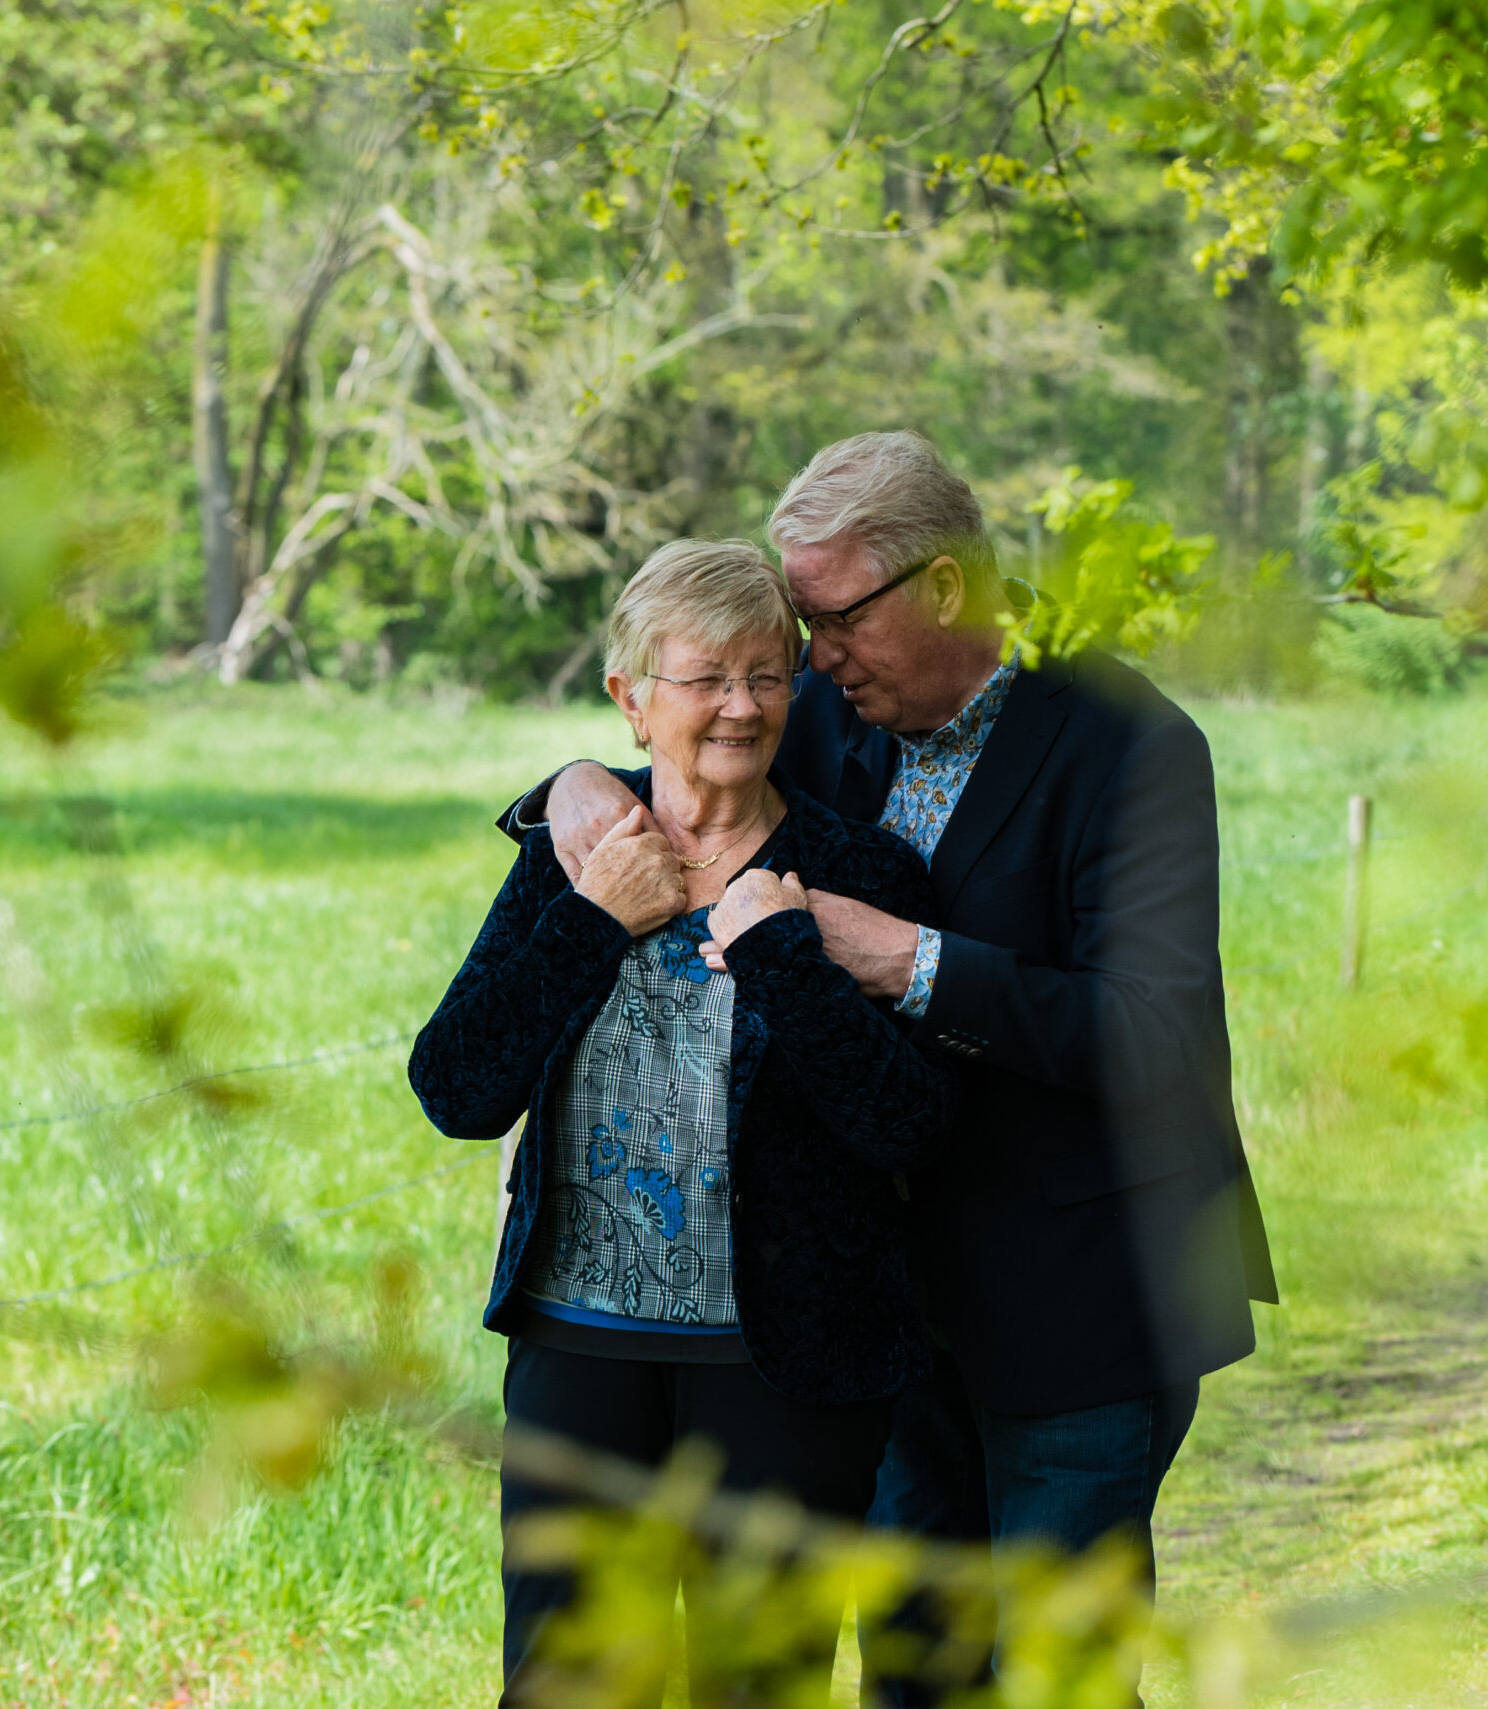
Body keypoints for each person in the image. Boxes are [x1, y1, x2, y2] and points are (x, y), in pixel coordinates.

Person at [503, 432, 1277, 1702]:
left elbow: (1152, 1032)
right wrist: (574, 786)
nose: (807, 660)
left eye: (829, 620)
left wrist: (910, 958)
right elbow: (682, 734)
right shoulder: (826, 715)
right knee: (914, 1671)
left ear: (945, 588)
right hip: (879, 1312)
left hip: (1083, 1292)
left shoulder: (1128, 745)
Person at [408, 538, 954, 1705]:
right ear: (631, 697)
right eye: (706, 676)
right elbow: (455, 1086)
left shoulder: (857, 868)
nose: (742, 706)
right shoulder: (572, 857)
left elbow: (908, 1126)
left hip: (787, 1363)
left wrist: (785, 955)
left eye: (767, 674)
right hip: (578, 1348)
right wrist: (593, 919)